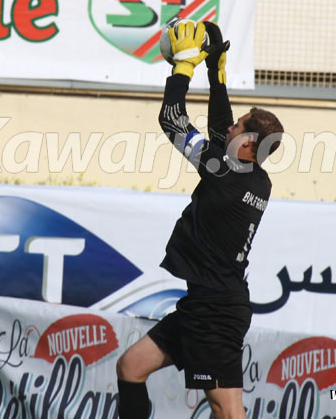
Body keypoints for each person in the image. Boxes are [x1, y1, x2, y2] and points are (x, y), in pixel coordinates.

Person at [116, 21, 284, 419]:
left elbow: (172, 121)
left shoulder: (223, 173)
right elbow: (218, 131)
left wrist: (185, 66)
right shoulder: (255, 176)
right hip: (205, 304)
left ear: (246, 144)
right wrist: (217, 74)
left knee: (226, 410)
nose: (230, 126)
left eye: (238, 126)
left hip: (216, 312)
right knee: (131, 367)